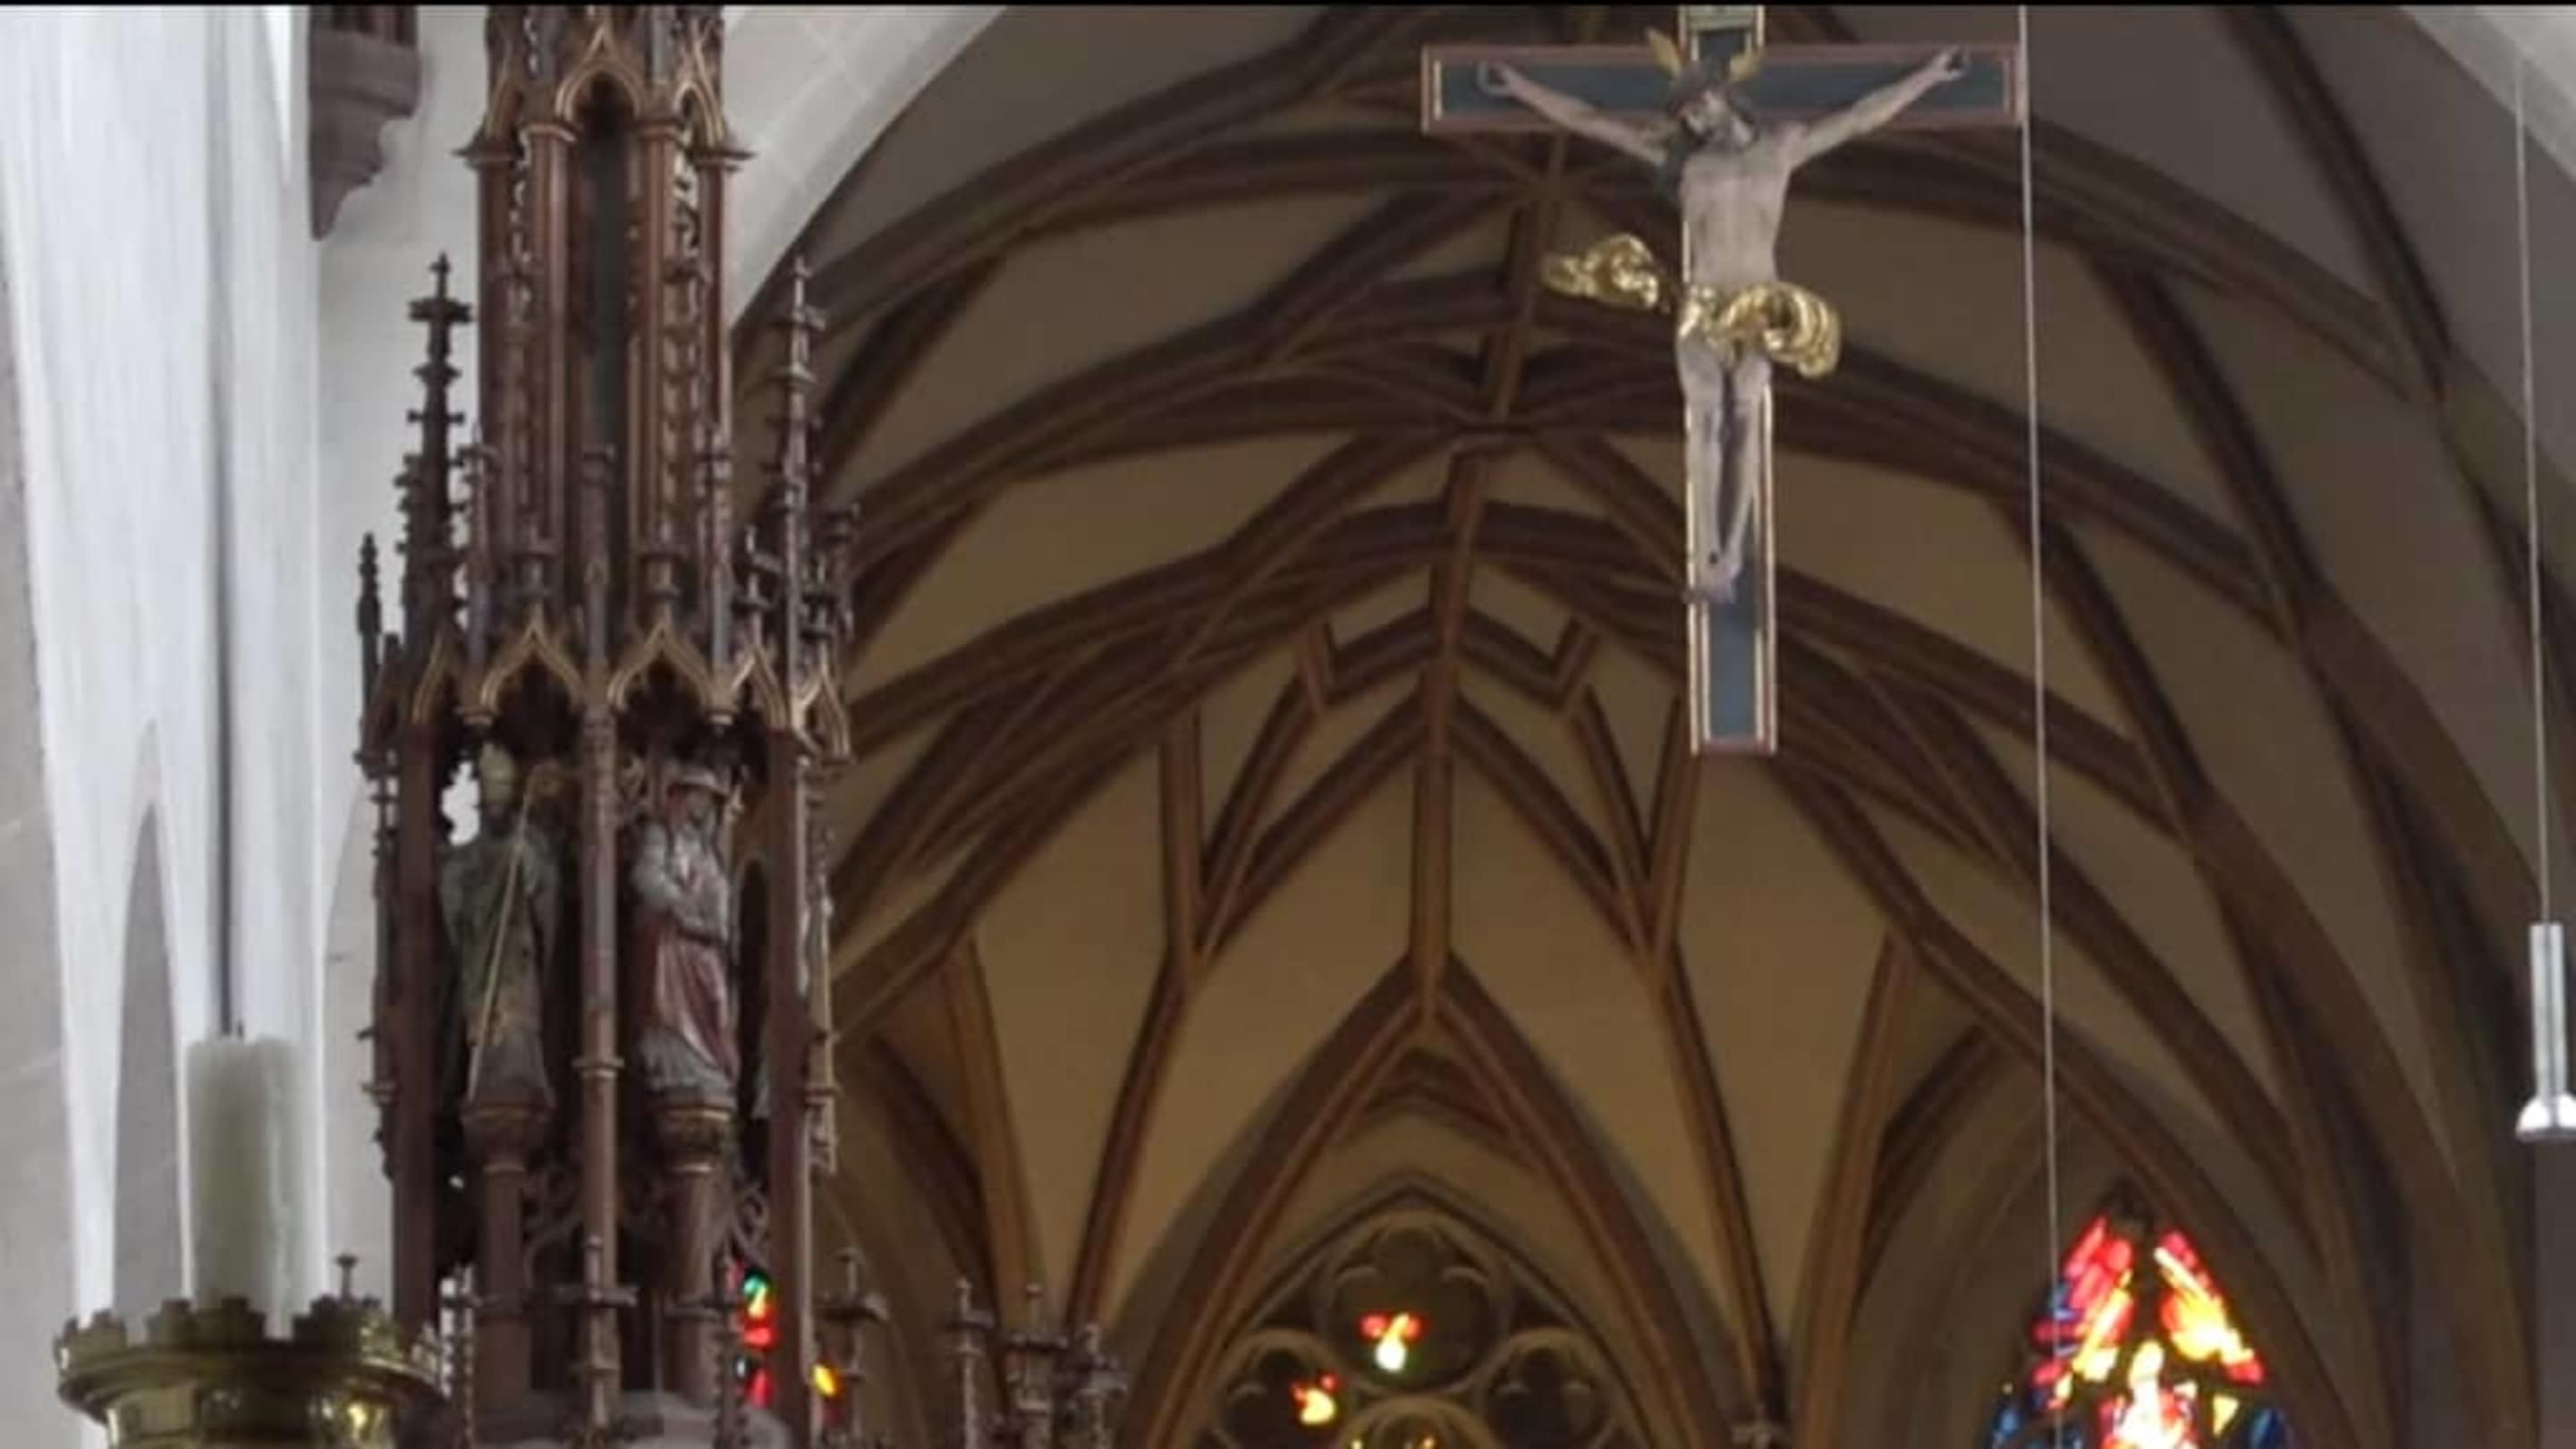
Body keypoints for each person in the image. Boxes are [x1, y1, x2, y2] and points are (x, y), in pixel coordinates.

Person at [1479, 42, 1967, 601]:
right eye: (1685, 115)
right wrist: (1520, 87)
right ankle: (1708, 554)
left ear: (1722, 94)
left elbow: (1859, 118)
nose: (1693, 120)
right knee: (1706, 415)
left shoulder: (1780, 148)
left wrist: (1927, 77)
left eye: (1698, 106)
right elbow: (1590, 121)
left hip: (1759, 302)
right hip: (1704, 302)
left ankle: (1732, 552)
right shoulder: (1685, 162)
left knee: (1746, 416)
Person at [632, 759, 740, 1103]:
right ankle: (677, 1068)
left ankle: (710, 1066)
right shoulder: (661, 835)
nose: (702, 803)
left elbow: (719, 892)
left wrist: (715, 917)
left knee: (717, 1000)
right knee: (671, 1008)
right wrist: (680, 903)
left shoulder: (708, 850)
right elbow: (646, 876)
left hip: (703, 943)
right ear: (681, 797)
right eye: (697, 795)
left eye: (708, 798)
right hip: (672, 939)